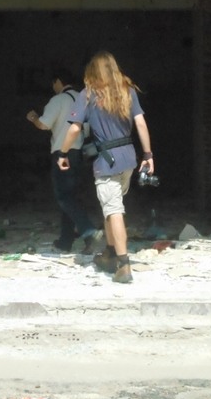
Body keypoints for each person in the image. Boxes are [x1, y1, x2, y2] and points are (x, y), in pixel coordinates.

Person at [57, 51, 155, 284]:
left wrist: (63, 153)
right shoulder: (127, 92)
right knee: (110, 207)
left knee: (113, 210)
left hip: (107, 161)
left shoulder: (88, 95)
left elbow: (74, 128)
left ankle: (123, 264)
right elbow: (140, 123)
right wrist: (148, 155)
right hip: (128, 159)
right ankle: (110, 254)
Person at [26, 69, 101, 253]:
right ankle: (65, 241)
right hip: (79, 153)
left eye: (53, 83)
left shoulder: (58, 100)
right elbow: (88, 129)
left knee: (63, 197)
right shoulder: (83, 99)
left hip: (63, 153)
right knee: (71, 197)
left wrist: (33, 118)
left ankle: (89, 231)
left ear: (58, 81)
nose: (53, 87)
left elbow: (44, 124)